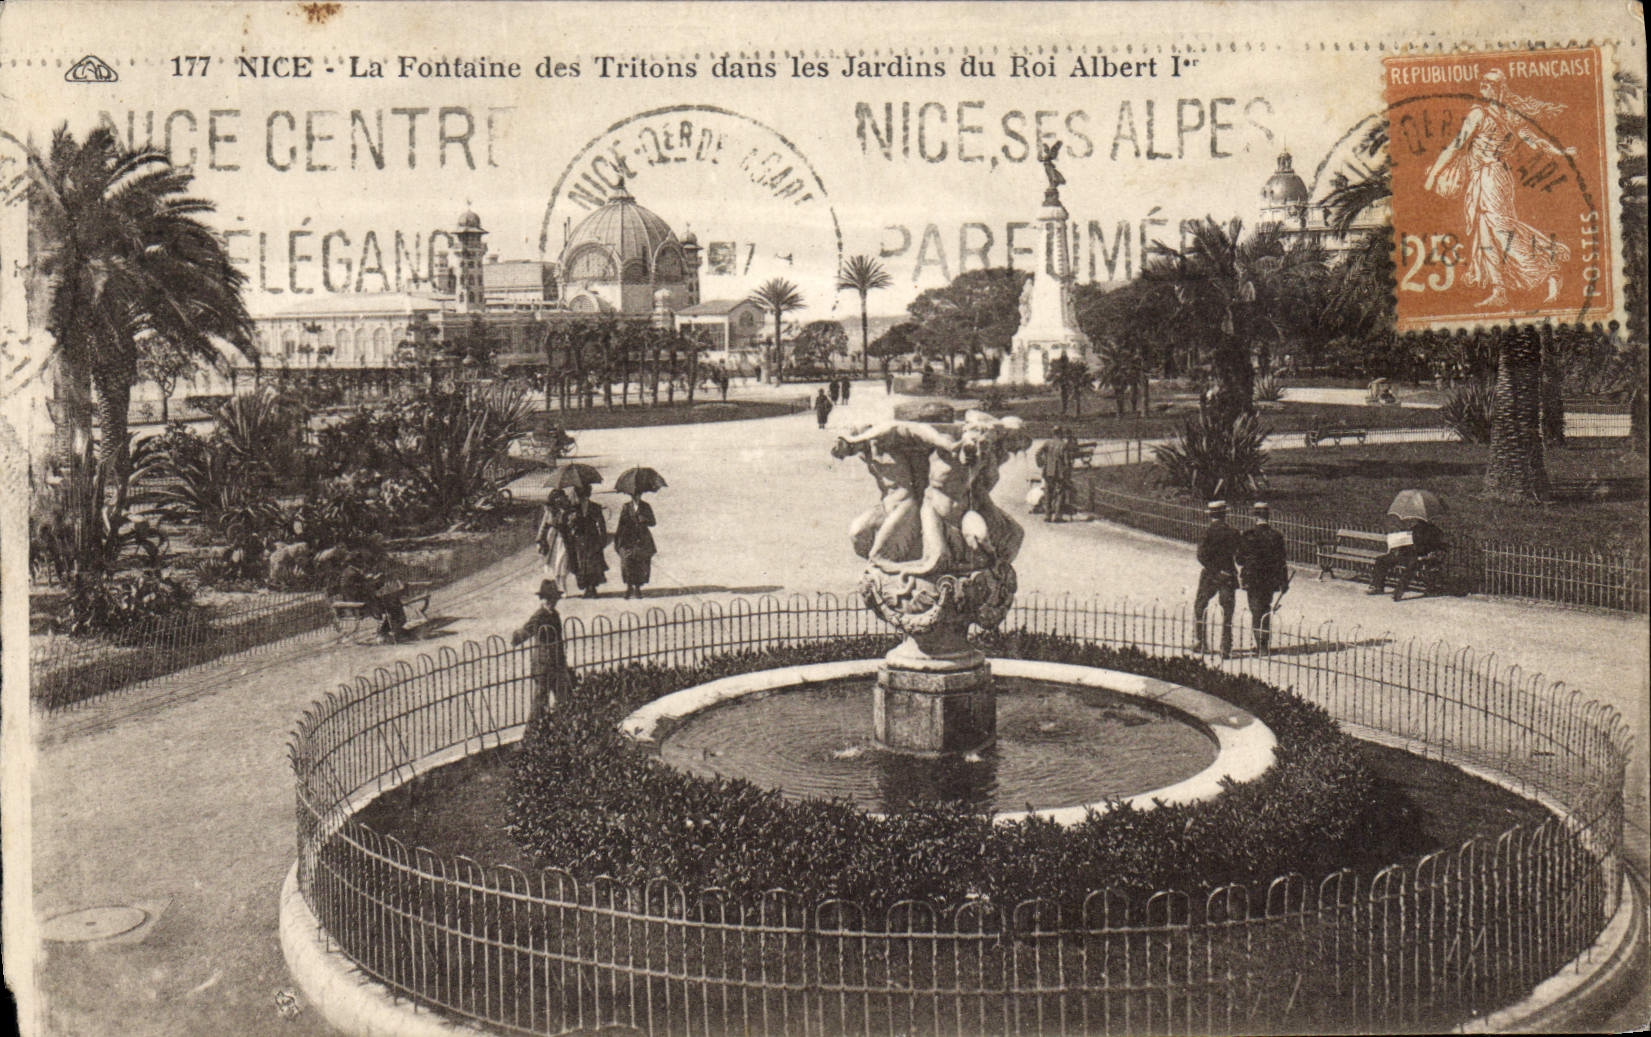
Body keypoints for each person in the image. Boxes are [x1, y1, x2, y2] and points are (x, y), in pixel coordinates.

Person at [1423, 68, 1577, 309]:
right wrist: (1435, 173)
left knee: (1502, 230)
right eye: (1482, 82)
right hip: (1481, 177)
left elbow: (1532, 141)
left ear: (1499, 88)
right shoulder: (1483, 114)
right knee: (1484, 233)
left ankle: (1549, 270)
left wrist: (1560, 152)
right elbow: (1457, 144)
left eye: (1489, 83)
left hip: (1493, 177)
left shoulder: (1501, 115)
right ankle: (1499, 290)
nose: (1483, 85)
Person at [512, 579, 568, 726]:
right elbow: (527, 630)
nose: (552, 602)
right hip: (543, 663)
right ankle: (533, 729)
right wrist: (517, 637)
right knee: (541, 698)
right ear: (542, 599)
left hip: (557, 661)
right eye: (548, 599)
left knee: (563, 696)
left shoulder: (555, 614)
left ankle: (562, 724)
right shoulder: (540, 615)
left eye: (554, 599)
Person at [1237, 502, 1290, 654]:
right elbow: (1281, 562)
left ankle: (1260, 645)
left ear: (1255, 516)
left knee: (1256, 611)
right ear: (1268, 516)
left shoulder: (1248, 535)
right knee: (1266, 609)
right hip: (1269, 580)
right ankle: (1264, 644)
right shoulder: (1276, 536)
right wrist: (1283, 582)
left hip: (1252, 580)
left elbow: (1239, 559)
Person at [1194, 500, 1242, 657]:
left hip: (1210, 575)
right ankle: (1225, 647)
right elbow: (1239, 556)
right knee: (1227, 610)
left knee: (1200, 605)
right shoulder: (1234, 532)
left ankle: (1201, 642)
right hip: (1228, 574)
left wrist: (1215, 569)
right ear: (1224, 514)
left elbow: (1201, 555)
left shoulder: (1207, 532)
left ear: (1210, 515)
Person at [328, 548, 408, 643]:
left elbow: (362, 587)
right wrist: (376, 581)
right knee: (395, 605)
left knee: (392, 602)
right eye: (360, 560)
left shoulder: (349, 572)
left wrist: (372, 582)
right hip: (362, 605)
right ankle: (384, 632)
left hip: (356, 604)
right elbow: (365, 590)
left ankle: (394, 628)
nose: (362, 562)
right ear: (355, 561)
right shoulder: (352, 574)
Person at [1368, 517, 1447, 601]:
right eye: (1419, 520)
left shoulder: (1435, 532)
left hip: (1422, 557)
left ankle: (1398, 592)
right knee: (1381, 560)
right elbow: (1405, 542)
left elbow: (1440, 546)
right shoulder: (1414, 529)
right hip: (1406, 554)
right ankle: (1378, 586)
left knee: (1412, 566)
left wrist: (1431, 553)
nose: (1418, 521)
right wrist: (1398, 545)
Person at [566, 482, 609, 598]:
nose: (583, 498)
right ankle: (586, 587)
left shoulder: (595, 507)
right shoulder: (574, 508)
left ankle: (592, 587)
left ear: (588, 494)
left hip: (592, 538)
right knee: (581, 564)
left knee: (593, 563)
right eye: (581, 495)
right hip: (579, 539)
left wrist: (603, 539)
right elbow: (569, 524)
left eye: (585, 495)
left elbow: (601, 523)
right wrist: (572, 521)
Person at [614, 490, 657, 599]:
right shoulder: (626, 506)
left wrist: (645, 519)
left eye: (637, 494)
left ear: (640, 494)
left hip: (642, 538)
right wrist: (618, 540)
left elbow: (653, 522)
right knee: (627, 563)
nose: (635, 496)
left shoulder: (646, 506)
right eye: (633, 495)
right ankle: (629, 587)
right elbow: (621, 523)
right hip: (628, 538)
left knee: (641, 563)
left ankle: (637, 588)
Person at [536, 489, 574, 593]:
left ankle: (563, 584)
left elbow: (572, 523)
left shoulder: (569, 510)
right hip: (552, 540)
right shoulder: (549, 511)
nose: (558, 500)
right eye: (556, 498)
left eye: (561, 497)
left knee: (563, 562)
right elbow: (543, 526)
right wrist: (539, 540)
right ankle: (558, 586)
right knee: (554, 563)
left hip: (564, 539)